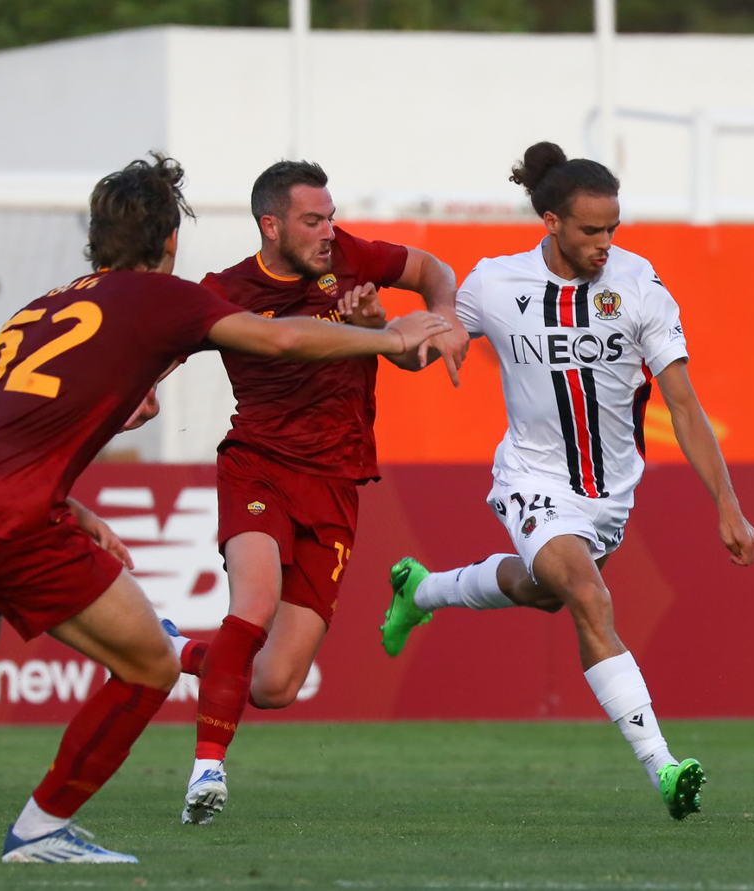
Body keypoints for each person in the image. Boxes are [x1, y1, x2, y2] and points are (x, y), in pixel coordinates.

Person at [0, 154, 450, 863]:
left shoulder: (42, 306)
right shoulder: (161, 298)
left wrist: (72, 506)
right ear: (170, 240)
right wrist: (390, 338)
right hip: (12, 515)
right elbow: (279, 336)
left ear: (96, 237)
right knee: (147, 668)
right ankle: (41, 830)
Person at [376, 141, 754, 820]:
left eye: (613, 228)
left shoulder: (639, 286)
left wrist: (727, 502)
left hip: (610, 495)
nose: (605, 243)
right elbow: (422, 351)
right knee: (587, 593)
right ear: (550, 222)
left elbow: (683, 403)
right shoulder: (495, 284)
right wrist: (382, 331)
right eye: (590, 230)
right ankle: (664, 766)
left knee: (548, 593)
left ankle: (421, 590)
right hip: (531, 476)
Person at [156, 159, 469, 826]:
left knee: (274, 684)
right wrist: (143, 389)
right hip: (259, 467)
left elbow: (432, 270)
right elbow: (160, 343)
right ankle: (207, 769)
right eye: (312, 220)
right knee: (255, 604)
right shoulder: (226, 290)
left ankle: (176, 651)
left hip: (335, 484)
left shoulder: (350, 257)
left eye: (331, 217)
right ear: (271, 226)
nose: (329, 231)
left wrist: (441, 316)